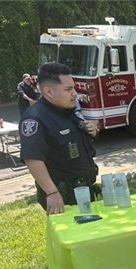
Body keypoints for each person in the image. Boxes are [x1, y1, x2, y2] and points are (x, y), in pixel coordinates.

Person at [20, 62, 100, 215]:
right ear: (49, 91)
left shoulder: (67, 111)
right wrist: (51, 192)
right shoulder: (35, 118)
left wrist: (93, 131)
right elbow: (33, 158)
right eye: (68, 89)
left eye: (74, 88)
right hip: (63, 196)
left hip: (83, 191)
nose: (75, 93)